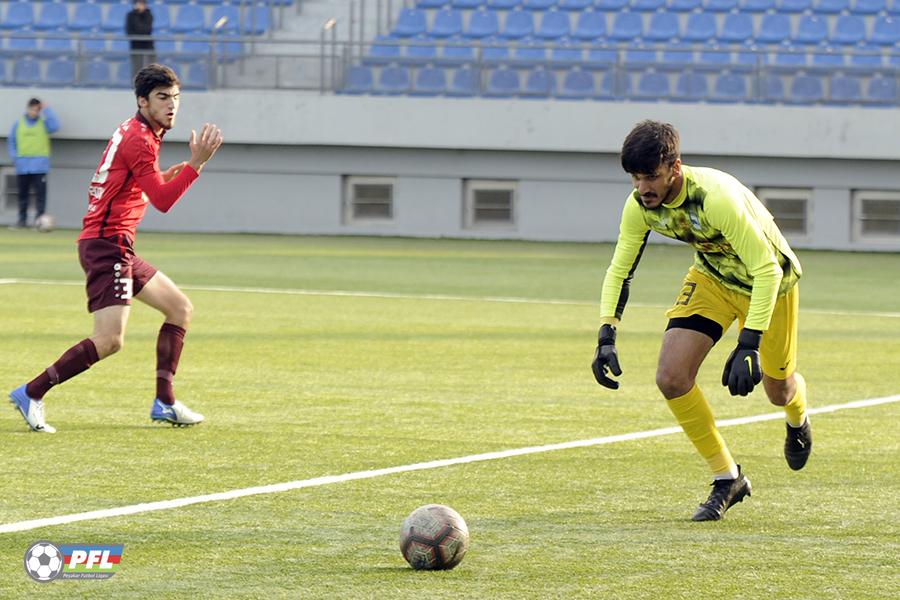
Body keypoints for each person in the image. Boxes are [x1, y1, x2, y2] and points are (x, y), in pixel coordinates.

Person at [591, 120, 811, 522]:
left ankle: (797, 414)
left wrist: (748, 343)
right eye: (636, 179)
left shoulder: (715, 198)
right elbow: (620, 268)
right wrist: (607, 333)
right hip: (711, 280)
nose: (643, 188)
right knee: (671, 377)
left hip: (770, 287)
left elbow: (767, 271)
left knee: (778, 390)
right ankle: (727, 478)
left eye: (651, 177)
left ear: (675, 167)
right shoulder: (640, 206)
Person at [8, 64, 223, 433]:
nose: (172, 106)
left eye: (175, 98)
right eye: (162, 98)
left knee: (179, 309)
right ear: (143, 101)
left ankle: (165, 402)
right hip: (107, 245)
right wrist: (196, 165)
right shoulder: (141, 138)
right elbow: (162, 201)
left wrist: (166, 174)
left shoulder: (140, 131)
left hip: (114, 243)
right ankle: (32, 392)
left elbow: (135, 183)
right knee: (109, 340)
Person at [7, 98, 60, 229]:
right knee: (22, 194)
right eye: (32, 109)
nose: (34, 112)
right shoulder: (18, 124)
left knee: (40, 195)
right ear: (27, 109)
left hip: (40, 166)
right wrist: (15, 158)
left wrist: (46, 109)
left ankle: (39, 221)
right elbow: (11, 141)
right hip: (22, 166)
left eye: (37, 110)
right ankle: (22, 220)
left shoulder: (44, 124)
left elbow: (56, 126)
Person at [126, 0, 156, 79]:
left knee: (151, 69)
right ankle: (137, 87)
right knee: (137, 68)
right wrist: (136, 14)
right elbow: (129, 31)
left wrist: (138, 30)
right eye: (138, 3)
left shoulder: (149, 15)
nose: (140, 5)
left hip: (148, 45)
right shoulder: (130, 15)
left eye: (143, 4)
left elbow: (146, 30)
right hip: (135, 45)